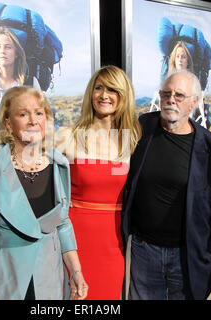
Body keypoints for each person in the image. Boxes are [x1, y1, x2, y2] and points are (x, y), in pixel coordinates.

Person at [121, 70, 211, 300]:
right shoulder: (140, 129)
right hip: (144, 254)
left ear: (194, 101)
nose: (171, 99)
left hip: (188, 258)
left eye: (179, 95)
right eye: (166, 93)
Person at [0, 86, 88, 300]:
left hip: (49, 283)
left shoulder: (59, 164)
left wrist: (76, 272)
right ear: (8, 123)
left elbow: (62, 223)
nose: (33, 121)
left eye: (39, 113)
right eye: (23, 114)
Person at [56, 65, 142, 299]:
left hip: (113, 243)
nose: (104, 95)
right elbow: (27, 152)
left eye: (112, 89)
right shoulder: (68, 137)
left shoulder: (133, 141)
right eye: (99, 88)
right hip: (74, 242)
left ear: (123, 95)